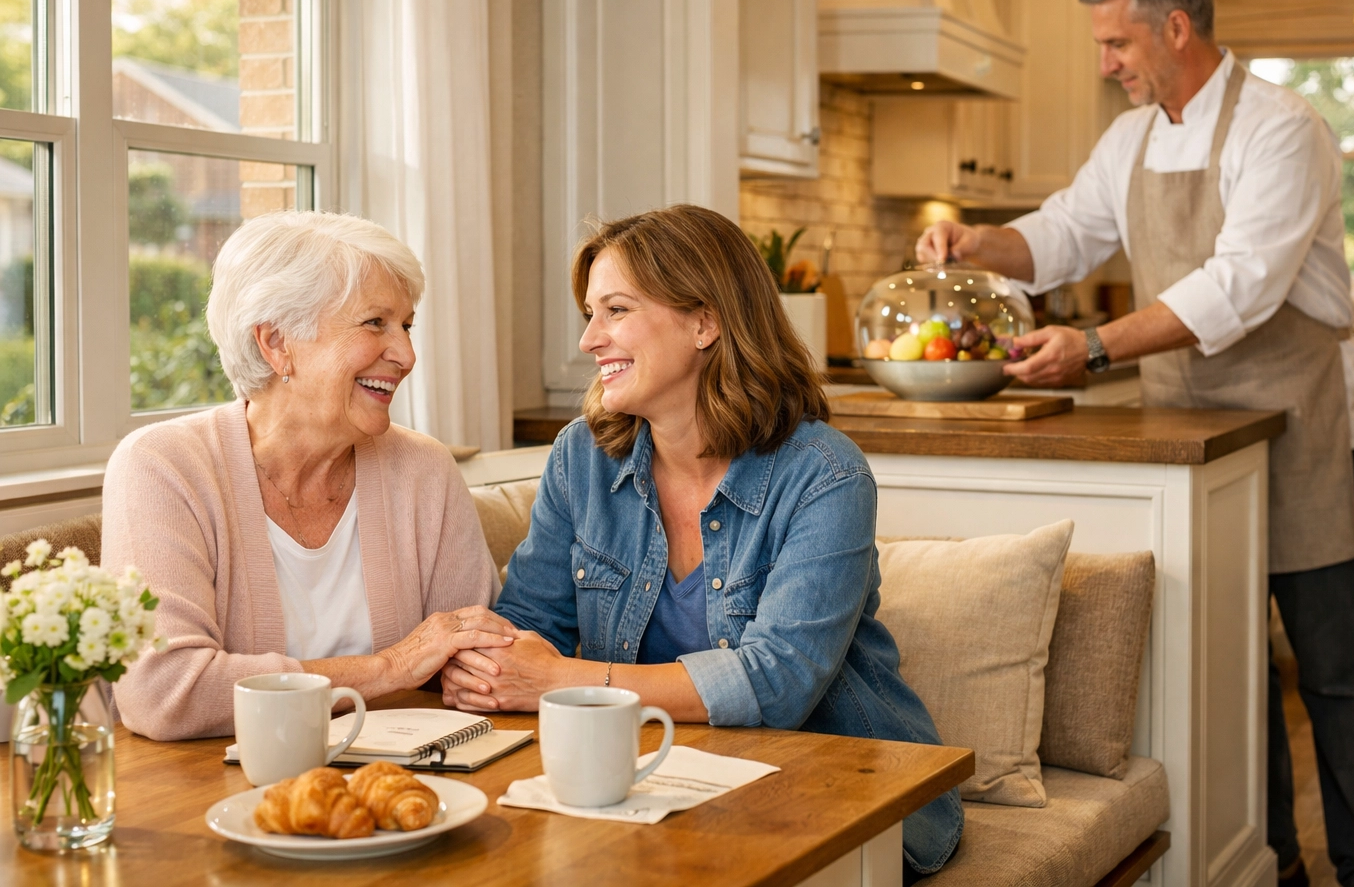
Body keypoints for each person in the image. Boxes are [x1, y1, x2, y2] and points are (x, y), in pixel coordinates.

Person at [916, 0, 1354, 887]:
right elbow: (1064, 233)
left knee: (1339, 669)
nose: (1106, 62)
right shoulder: (1133, 138)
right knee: (1233, 669)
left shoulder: (1281, 128)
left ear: (1174, 28)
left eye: (1116, 42)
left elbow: (1242, 288)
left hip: (1305, 432)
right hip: (1192, 444)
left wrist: (1096, 345)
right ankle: (1272, 863)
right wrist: (980, 240)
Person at [440, 204, 963, 878]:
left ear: (705, 322)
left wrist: (563, 679)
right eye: (589, 314)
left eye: (617, 310)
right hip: (647, 783)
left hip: (845, 790)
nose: (589, 340)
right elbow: (525, 627)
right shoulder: (583, 457)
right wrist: (483, 665)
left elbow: (778, 682)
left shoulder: (825, 474)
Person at [103, 211, 507, 741]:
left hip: (406, 779)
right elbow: (163, 692)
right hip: (208, 795)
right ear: (277, 343)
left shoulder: (424, 470)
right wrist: (388, 668)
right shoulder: (162, 467)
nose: (406, 355)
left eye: (406, 325)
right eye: (374, 323)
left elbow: (480, 663)